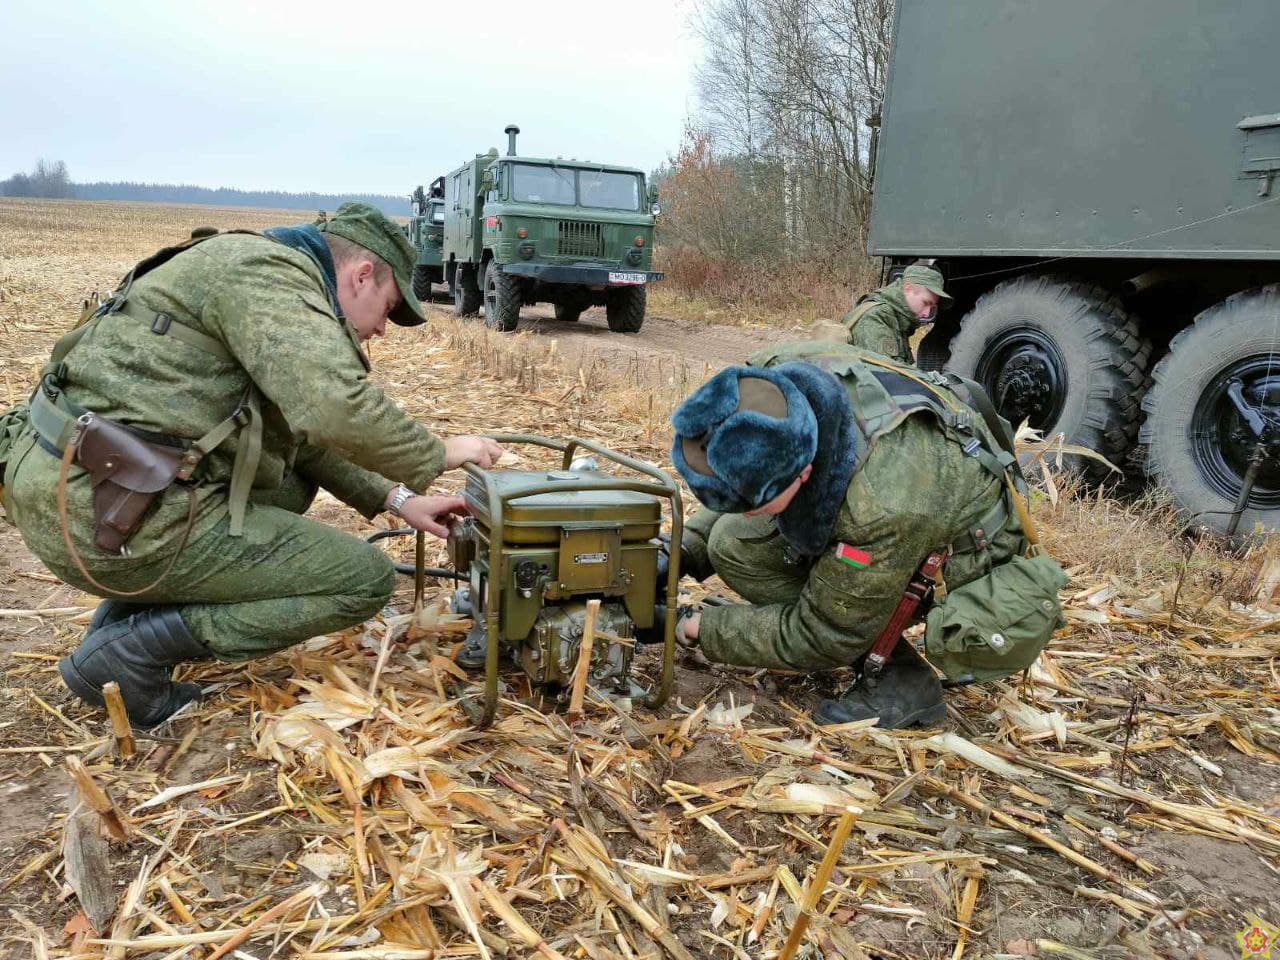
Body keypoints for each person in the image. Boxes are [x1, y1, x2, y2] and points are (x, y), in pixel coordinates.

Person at [1, 203, 502, 728]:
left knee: (286, 483)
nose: (380, 330)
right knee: (363, 580)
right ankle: (129, 656)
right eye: (388, 307)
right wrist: (438, 453)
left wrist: (400, 499)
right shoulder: (270, 278)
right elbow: (333, 408)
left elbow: (302, 437)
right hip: (101, 514)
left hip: (88, 495)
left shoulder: (249, 268)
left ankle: (126, 622)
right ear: (361, 274)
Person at [664, 341, 1064, 728]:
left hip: (963, 549)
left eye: (755, 504)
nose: (746, 514)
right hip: (907, 494)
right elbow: (740, 478)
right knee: (731, 542)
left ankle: (901, 682)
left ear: (804, 472)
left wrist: (700, 627)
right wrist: (681, 549)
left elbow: (824, 634)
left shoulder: (880, 508)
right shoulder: (774, 381)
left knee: (761, 560)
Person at [843, 263, 951, 365]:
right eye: (925, 303)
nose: (927, 313)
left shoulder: (897, 319)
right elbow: (886, 376)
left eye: (931, 307)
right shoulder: (875, 317)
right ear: (908, 289)